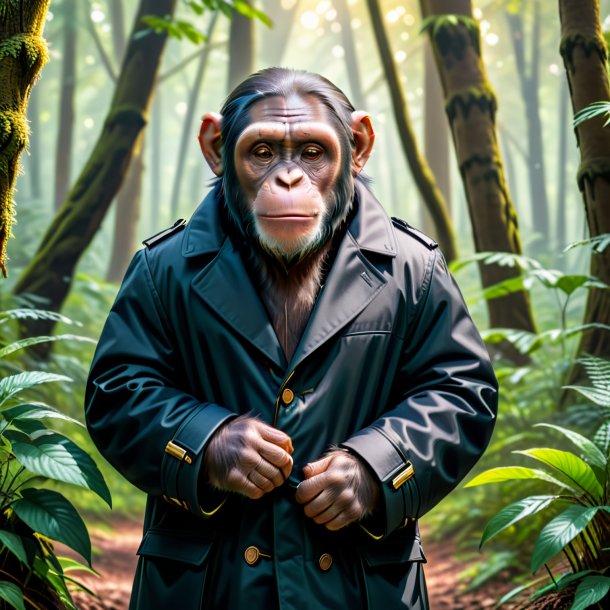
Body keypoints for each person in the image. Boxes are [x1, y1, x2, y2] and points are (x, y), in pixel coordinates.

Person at [85, 68, 498, 610]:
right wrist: (205, 442)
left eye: (311, 152)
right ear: (217, 148)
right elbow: (116, 391)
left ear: (358, 146)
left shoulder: (411, 268)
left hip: (359, 583)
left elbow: (462, 392)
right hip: (209, 585)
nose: (288, 179)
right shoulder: (165, 268)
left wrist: (380, 464)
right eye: (262, 153)